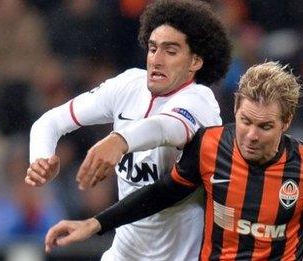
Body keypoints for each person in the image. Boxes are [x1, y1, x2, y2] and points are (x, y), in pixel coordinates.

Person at [45, 61, 303, 261]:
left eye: (265, 126)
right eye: (246, 121)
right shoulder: (208, 146)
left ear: (285, 123)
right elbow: (162, 193)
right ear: (235, 110)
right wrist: (95, 224)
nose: (251, 134)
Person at [25, 0, 231, 260]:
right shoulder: (127, 85)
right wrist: (41, 158)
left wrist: (119, 140)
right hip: (123, 253)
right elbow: (50, 121)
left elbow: (167, 127)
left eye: (171, 51)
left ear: (195, 61)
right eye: (153, 48)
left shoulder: (201, 102)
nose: (156, 60)